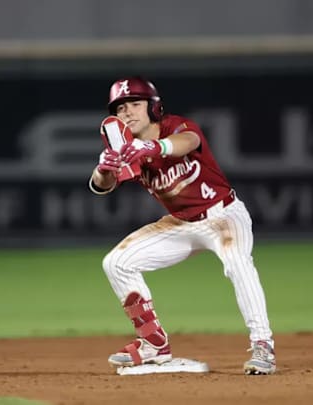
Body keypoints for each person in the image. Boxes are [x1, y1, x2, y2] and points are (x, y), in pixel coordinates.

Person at [89, 77, 276, 375]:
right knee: (116, 263)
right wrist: (104, 168)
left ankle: (262, 344)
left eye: (135, 104)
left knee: (238, 263)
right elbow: (102, 185)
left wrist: (152, 147)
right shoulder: (124, 147)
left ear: (153, 107)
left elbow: (187, 143)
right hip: (180, 224)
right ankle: (153, 344)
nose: (127, 113)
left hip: (224, 216)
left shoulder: (176, 127)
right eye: (120, 108)